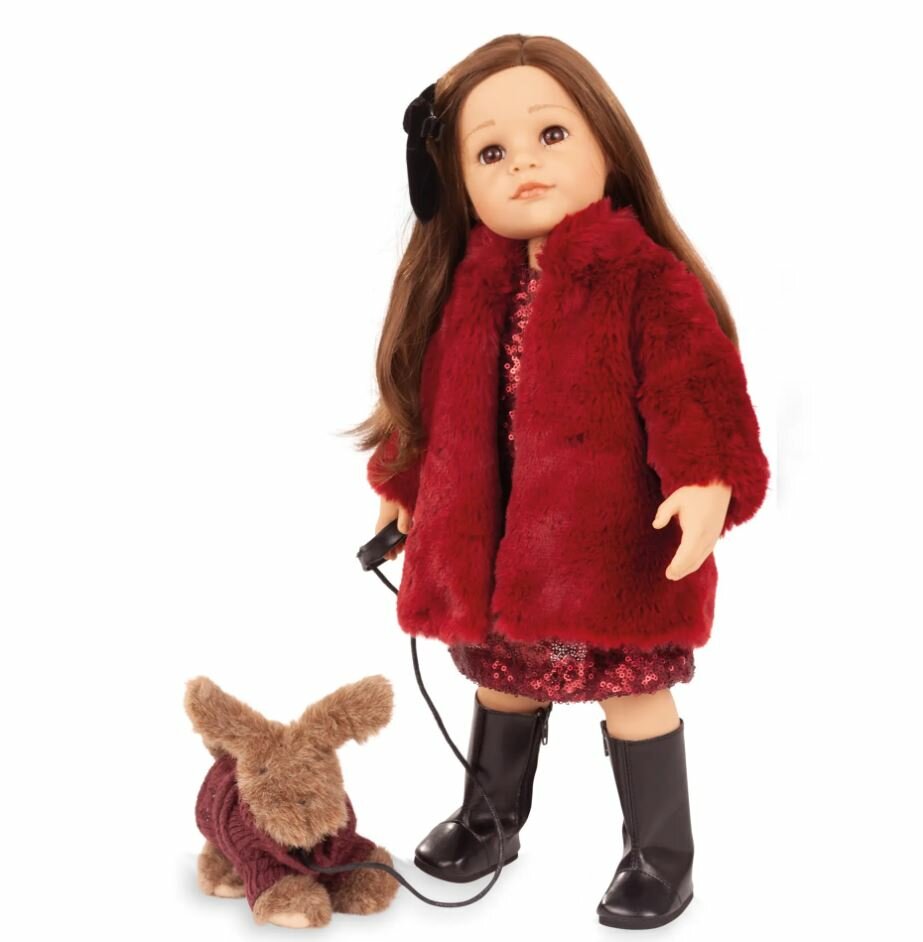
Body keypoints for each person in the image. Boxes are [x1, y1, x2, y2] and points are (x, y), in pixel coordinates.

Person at [347, 33, 770, 930]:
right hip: (499, 549)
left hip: (612, 549)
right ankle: (490, 818)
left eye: (550, 135)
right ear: (457, 184)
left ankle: (659, 857)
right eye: (490, 152)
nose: (522, 165)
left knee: (632, 693)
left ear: (606, 145)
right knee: (503, 683)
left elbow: (696, 388)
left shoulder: (644, 281)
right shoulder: (468, 288)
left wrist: (706, 478)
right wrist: (403, 488)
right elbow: (436, 407)